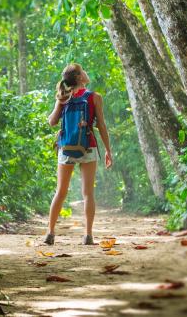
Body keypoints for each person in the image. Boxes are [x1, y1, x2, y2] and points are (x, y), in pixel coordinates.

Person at [44, 63, 112, 245]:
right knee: (88, 193)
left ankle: (50, 233)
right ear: (80, 78)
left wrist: (59, 102)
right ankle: (88, 235)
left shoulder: (64, 97)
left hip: (66, 147)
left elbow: (52, 122)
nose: (86, 73)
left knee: (60, 191)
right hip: (88, 147)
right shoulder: (95, 97)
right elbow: (101, 126)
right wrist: (108, 150)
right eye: (83, 71)